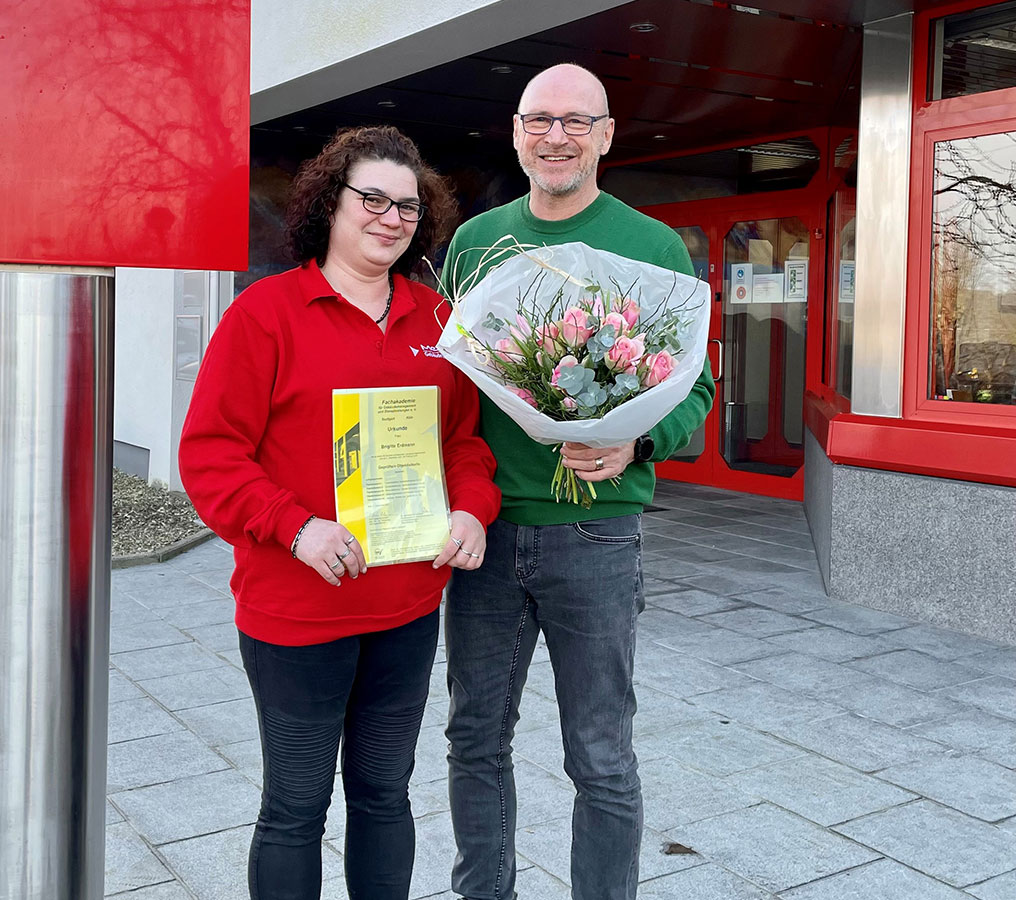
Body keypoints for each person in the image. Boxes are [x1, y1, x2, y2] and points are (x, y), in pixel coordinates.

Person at [178, 125, 501, 900]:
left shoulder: (437, 320)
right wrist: (296, 526)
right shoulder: (265, 314)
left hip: (406, 609)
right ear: (330, 203)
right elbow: (211, 454)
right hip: (297, 616)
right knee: (295, 805)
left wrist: (472, 511)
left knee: (384, 794)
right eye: (373, 199)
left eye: (408, 207)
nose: (391, 218)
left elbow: (464, 443)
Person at [442, 64, 716, 900]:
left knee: (599, 753)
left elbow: (696, 388)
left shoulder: (656, 246)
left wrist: (636, 442)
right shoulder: (474, 241)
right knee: (474, 739)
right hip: (485, 534)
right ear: (517, 132)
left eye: (575, 121)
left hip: (597, 532)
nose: (555, 135)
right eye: (539, 120)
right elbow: (456, 384)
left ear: (604, 135)